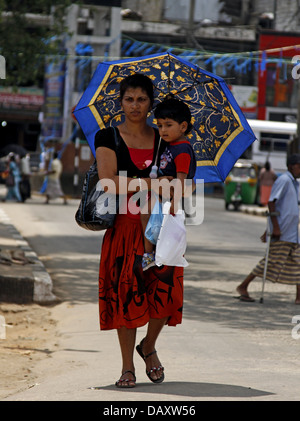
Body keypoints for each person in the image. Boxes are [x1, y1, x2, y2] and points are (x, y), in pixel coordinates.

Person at [94, 73, 185, 388]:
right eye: (129, 99)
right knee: (126, 296)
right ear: (121, 102)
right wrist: (149, 182)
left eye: (142, 99)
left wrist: (163, 185)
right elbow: (107, 182)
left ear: (151, 103)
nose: (135, 105)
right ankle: (126, 367)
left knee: (166, 294)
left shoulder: (165, 138)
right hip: (125, 229)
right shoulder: (108, 137)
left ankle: (148, 346)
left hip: (161, 230)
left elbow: (178, 183)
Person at [140, 96, 196, 270]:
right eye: (160, 125)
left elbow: (181, 177)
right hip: (162, 192)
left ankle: (150, 254)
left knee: (150, 215)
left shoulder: (183, 149)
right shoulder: (168, 145)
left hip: (170, 196)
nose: (163, 130)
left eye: (168, 125)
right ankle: (151, 252)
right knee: (148, 216)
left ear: (183, 126)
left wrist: (175, 202)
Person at [236, 153, 300, 304]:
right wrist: (274, 228)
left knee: (298, 263)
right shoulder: (284, 180)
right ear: (292, 166)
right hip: (283, 232)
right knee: (270, 261)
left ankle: (299, 297)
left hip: (292, 232)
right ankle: (243, 286)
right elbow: (272, 203)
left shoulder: (295, 183)